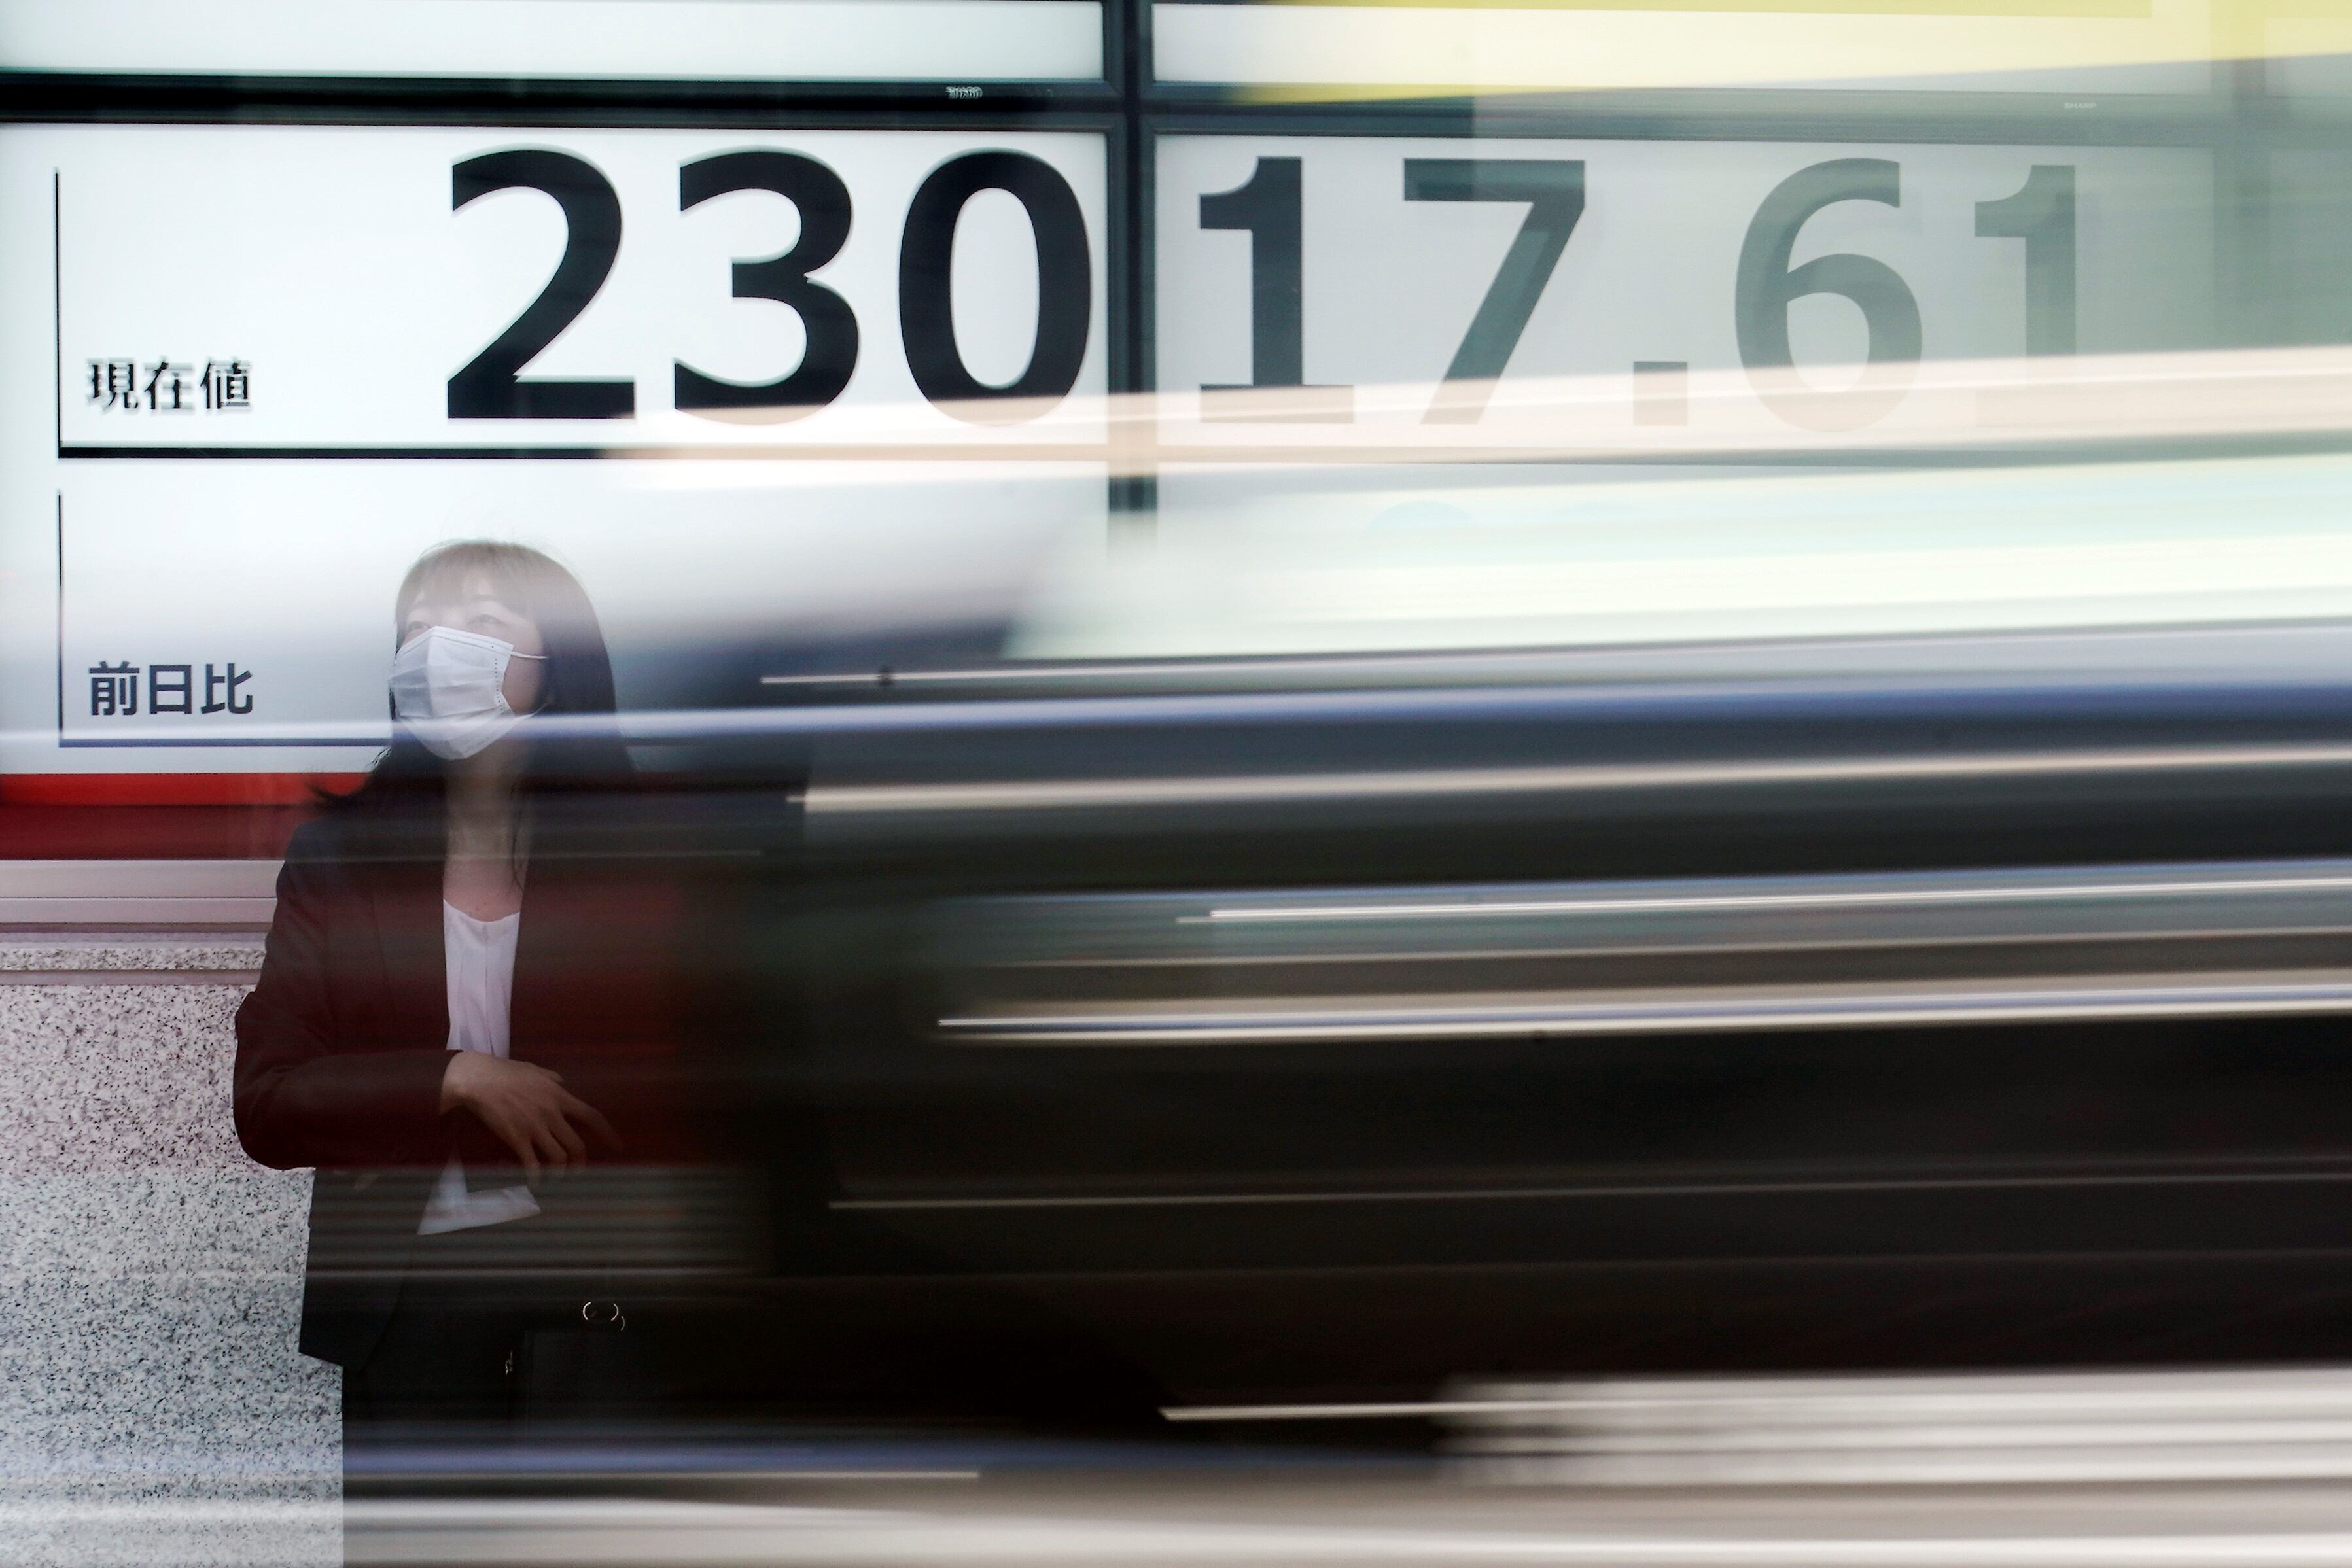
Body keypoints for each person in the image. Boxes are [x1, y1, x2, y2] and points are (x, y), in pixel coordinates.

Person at [234, 540, 699, 1467]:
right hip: (405, 1304)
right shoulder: (340, 857)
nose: (443, 646)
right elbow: (270, 1101)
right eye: (421, 627)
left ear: (555, 668)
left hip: (596, 1294)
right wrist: (456, 1078)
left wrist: (372, 1108)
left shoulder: (648, 854)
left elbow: (688, 1084)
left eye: (484, 621)